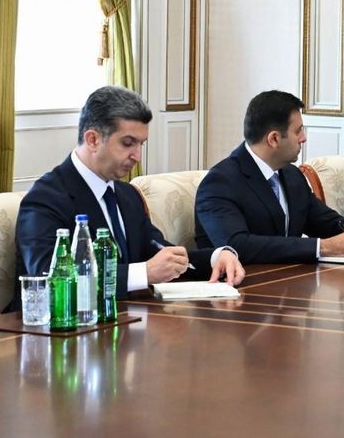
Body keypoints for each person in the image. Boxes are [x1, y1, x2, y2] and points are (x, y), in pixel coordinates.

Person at [13, 86, 243, 309]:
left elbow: (159, 252)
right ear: (93, 139)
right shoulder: (45, 199)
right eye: (128, 143)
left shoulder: (127, 195)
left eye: (141, 144)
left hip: (125, 320)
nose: (137, 156)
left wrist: (215, 258)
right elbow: (51, 278)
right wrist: (144, 273)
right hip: (60, 329)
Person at [195, 90, 344, 263]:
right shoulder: (220, 183)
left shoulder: (291, 175)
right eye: (298, 131)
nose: (304, 138)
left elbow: (327, 222)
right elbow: (237, 246)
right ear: (274, 139)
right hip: (240, 292)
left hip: (288, 285)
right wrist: (322, 247)